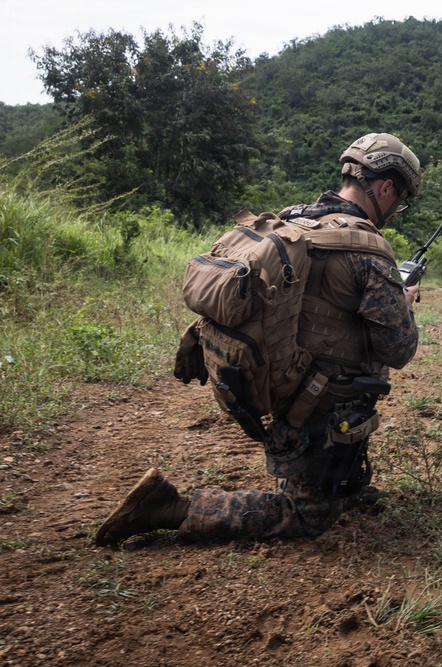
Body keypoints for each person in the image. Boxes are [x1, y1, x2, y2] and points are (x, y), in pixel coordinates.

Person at [95, 133, 422, 546]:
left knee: (343, 481)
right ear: (386, 187)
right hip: (316, 401)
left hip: (264, 379)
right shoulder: (367, 249)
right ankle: (169, 507)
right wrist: (405, 305)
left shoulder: (289, 221)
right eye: (400, 199)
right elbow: (399, 349)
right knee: (305, 518)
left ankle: (339, 486)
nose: (395, 211)